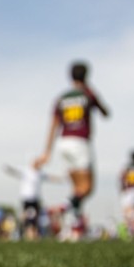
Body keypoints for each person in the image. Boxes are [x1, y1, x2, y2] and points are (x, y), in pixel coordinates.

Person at [39, 61, 109, 235]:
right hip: (80, 142)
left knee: (76, 189)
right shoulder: (87, 94)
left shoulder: (61, 98)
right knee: (87, 188)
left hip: (64, 143)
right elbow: (105, 113)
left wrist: (47, 152)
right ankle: (62, 209)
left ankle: (75, 228)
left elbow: (53, 125)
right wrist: (90, 89)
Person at [4, 158, 62, 240]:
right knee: (25, 216)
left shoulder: (40, 173)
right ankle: (20, 231)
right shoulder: (26, 171)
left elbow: (49, 177)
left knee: (36, 216)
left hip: (36, 198)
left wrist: (60, 179)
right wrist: (8, 168)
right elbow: (15, 171)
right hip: (27, 197)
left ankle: (34, 232)